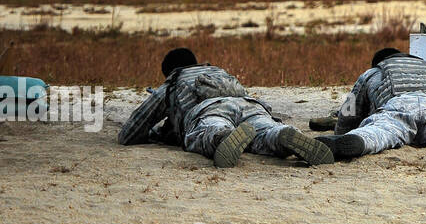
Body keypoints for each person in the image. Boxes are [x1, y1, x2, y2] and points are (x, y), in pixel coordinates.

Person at [118, 47, 333, 168]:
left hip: (210, 109)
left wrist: (157, 132)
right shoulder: (219, 72)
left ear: (169, 71)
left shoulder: (174, 81)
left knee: (210, 128)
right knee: (263, 132)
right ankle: (283, 135)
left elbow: (131, 131)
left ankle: (222, 137)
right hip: (250, 106)